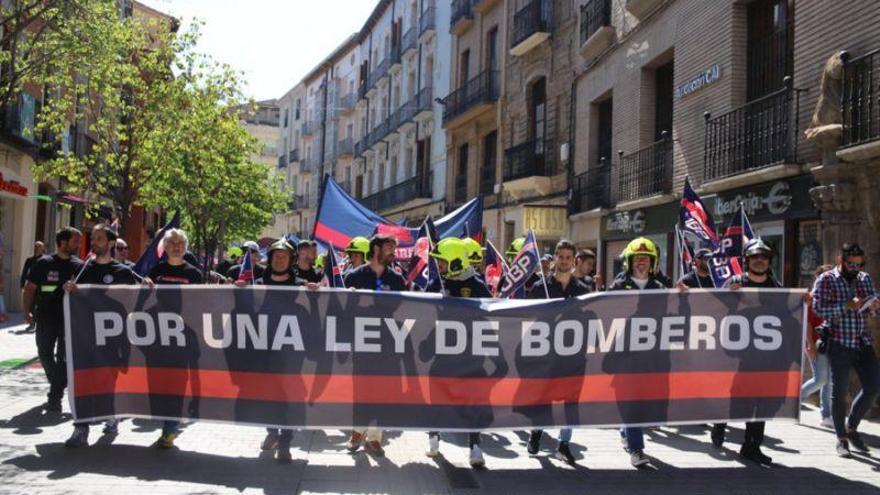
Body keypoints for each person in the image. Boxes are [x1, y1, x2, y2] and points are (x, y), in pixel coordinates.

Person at [63, 224, 146, 447]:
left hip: (113, 339)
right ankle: (81, 429)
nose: (94, 242)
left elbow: (135, 304)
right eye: (94, 238)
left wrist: (145, 288)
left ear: (110, 243)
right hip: (86, 338)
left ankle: (112, 417)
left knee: (110, 381)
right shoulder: (84, 270)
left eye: (99, 238)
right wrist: (70, 291)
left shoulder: (123, 272)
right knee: (84, 382)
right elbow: (76, 301)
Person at [423, 237, 490, 468]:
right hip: (442, 351)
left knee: (474, 401)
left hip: (471, 353)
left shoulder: (478, 286)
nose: (438, 267)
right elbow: (421, 309)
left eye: (442, 262)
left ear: (455, 262)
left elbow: (490, 318)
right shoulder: (435, 284)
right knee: (436, 395)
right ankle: (433, 437)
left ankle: (475, 446)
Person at [711, 238, 779, 465]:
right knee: (736, 396)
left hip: (763, 353)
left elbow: (788, 315)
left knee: (761, 400)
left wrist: (803, 302)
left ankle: (752, 446)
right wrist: (727, 296)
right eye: (755, 257)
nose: (759, 261)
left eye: (763, 257)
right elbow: (712, 309)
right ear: (746, 261)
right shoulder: (735, 282)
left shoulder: (776, 286)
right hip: (736, 352)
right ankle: (720, 423)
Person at [812, 243, 880, 458]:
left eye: (859, 264)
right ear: (841, 260)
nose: (855, 268)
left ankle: (851, 427)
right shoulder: (827, 279)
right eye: (851, 264)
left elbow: (873, 306)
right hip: (839, 341)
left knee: (873, 387)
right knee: (839, 392)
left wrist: (875, 307)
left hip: (862, 340)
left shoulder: (864, 278)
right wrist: (845, 306)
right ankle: (841, 440)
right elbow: (818, 308)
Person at [343, 234, 407, 457]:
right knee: (360, 390)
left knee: (381, 390)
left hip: (387, 345)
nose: (393, 251)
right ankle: (357, 432)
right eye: (389, 247)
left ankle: (374, 438)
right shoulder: (353, 277)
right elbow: (341, 309)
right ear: (376, 249)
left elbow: (405, 310)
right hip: (360, 343)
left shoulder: (397, 279)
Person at [527, 240, 590, 465]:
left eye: (568, 257)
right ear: (554, 258)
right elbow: (529, 320)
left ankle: (564, 444)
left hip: (573, 355)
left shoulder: (583, 291)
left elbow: (589, 320)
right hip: (546, 355)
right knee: (543, 397)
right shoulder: (539, 288)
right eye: (560, 256)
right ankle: (536, 432)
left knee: (570, 401)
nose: (564, 261)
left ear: (574, 261)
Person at [609, 237, 670, 467]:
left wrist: (684, 297)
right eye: (638, 258)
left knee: (643, 402)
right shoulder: (618, 287)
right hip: (625, 354)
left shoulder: (661, 288)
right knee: (632, 399)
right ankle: (637, 449)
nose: (641, 262)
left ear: (652, 262)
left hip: (652, 355)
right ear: (630, 261)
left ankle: (626, 431)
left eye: (646, 258)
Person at [147, 228, 203, 448]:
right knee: (159, 382)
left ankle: (170, 428)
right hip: (157, 336)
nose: (177, 246)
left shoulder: (194, 274)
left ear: (185, 246)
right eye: (172, 243)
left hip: (183, 338)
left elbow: (201, 304)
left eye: (180, 243)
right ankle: (167, 422)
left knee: (178, 382)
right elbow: (139, 298)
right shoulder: (155, 271)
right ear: (165, 247)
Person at [21, 227, 83, 412]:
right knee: (44, 353)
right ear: (63, 242)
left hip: (69, 320)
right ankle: (59, 382)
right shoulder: (43, 263)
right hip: (45, 318)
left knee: (63, 358)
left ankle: (54, 398)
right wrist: (26, 312)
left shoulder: (79, 266)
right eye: (75, 241)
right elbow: (30, 289)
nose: (78, 245)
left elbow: (85, 293)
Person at [253, 239, 300, 462]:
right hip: (264, 350)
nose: (279, 260)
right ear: (270, 259)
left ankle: (286, 442)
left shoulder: (300, 285)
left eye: (284, 256)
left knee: (289, 397)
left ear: (291, 260)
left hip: (291, 353)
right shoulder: (257, 283)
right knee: (267, 395)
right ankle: (272, 432)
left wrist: (316, 293)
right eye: (276, 256)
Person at [801, 264, 835, 429]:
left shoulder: (834, 298)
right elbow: (807, 322)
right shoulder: (811, 298)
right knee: (822, 378)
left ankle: (826, 415)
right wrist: (809, 345)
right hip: (815, 343)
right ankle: (796, 398)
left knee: (828, 381)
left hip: (832, 343)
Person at [19, 241, 46, 332]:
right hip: (31, 287)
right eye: (36, 246)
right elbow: (24, 272)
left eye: (39, 246)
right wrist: (22, 284)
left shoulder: (46, 260)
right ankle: (32, 324)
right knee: (31, 305)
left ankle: (39, 324)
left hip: (42, 286)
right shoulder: (29, 260)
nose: (37, 248)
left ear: (43, 248)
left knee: (40, 305)